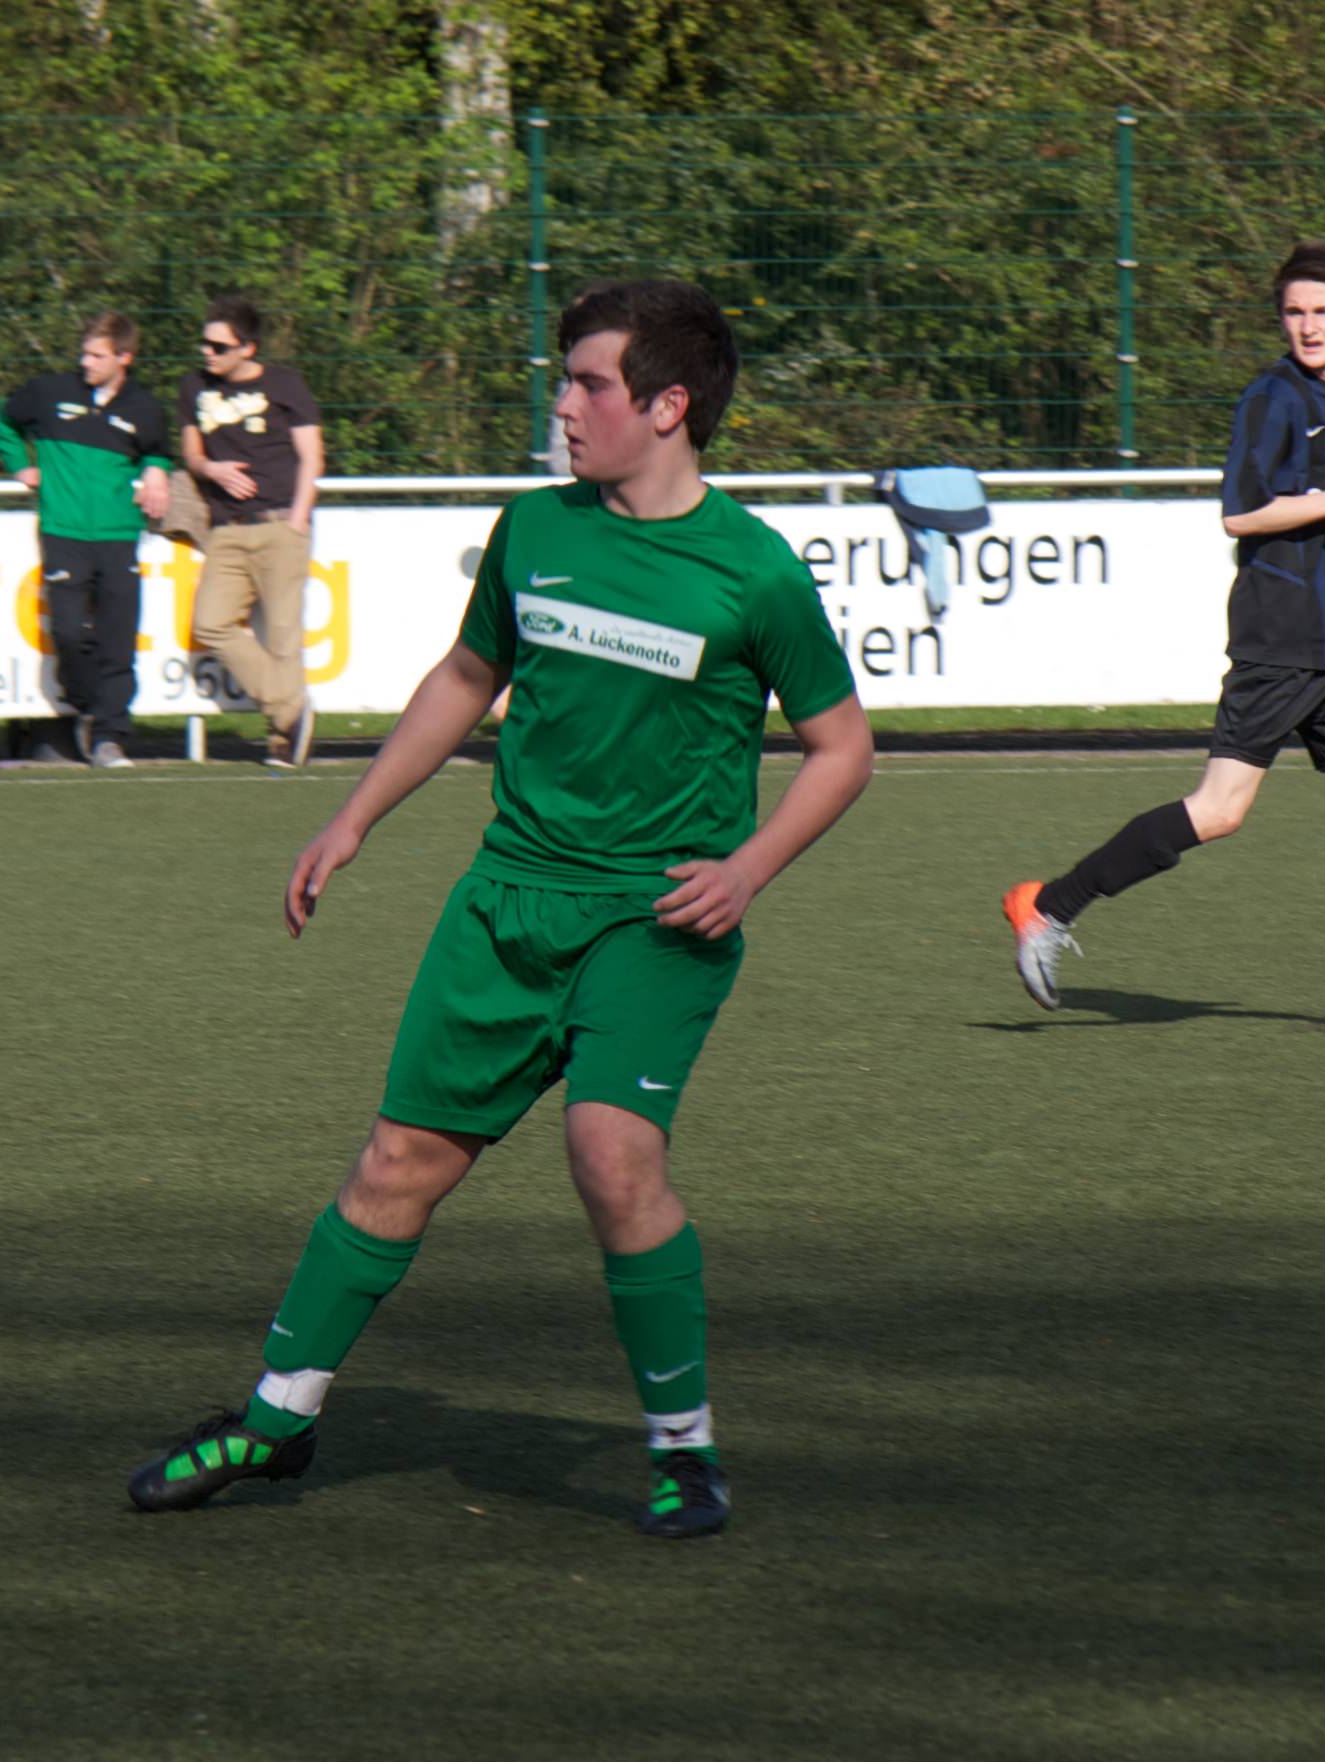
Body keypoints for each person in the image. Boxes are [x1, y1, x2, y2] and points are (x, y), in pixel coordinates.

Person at [126, 280, 873, 1537]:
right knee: (395, 1165)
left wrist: (747, 869)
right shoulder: (533, 528)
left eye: (589, 383)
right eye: (565, 379)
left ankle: (683, 1447)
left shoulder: (753, 571)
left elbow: (843, 747)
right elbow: (468, 675)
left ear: (668, 405)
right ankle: (276, 1419)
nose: (563, 404)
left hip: (655, 918)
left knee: (612, 1153)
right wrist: (355, 818)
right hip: (507, 905)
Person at [1004, 241, 1325, 1034]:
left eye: (1322, 311)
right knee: (1219, 810)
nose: (1307, 326)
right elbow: (1241, 513)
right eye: (1294, 312)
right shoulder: (1270, 398)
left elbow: (1322, 499)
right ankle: (1047, 907)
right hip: (1278, 638)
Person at [0, 312, 171, 766]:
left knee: (118, 639)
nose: (85, 362)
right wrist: (19, 466)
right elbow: (3, 421)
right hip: (63, 532)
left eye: (97, 355)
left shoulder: (145, 408)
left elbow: (158, 452)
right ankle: (89, 708)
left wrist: (156, 472)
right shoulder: (48, 393)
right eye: (84, 353)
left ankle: (110, 736)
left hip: (119, 535)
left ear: (124, 358)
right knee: (69, 633)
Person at [180, 296, 323, 768]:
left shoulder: (285, 384)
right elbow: (192, 454)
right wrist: (212, 470)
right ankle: (291, 711)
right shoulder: (194, 386)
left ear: (247, 348)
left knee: (283, 639)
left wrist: (298, 519)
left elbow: (312, 457)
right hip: (226, 530)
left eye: (219, 347)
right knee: (210, 623)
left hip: (280, 524)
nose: (207, 353)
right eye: (205, 343)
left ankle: (283, 739)